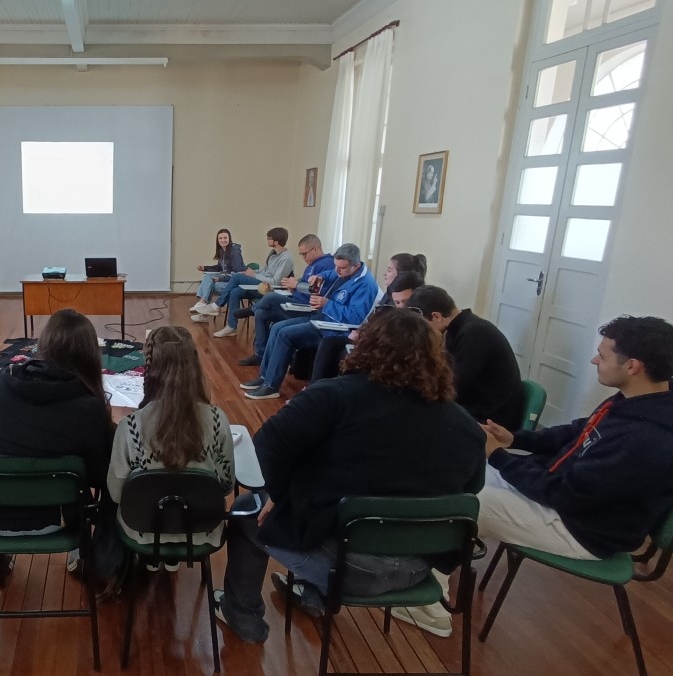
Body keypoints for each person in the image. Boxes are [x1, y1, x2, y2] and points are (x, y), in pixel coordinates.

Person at [399, 316, 673, 639]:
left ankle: (429, 608)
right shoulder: (641, 401)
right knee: (458, 474)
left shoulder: (650, 441)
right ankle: (428, 569)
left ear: (632, 366)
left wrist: (497, 456)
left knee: (459, 507)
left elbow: (566, 494)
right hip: (566, 498)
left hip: (583, 529)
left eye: (602, 355)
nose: (594, 361)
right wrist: (515, 439)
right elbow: (578, 432)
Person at [214, 308, 485, 644]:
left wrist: (281, 497)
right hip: (419, 566)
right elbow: (471, 489)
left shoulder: (333, 396)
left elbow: (268, 445)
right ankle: (312, 594)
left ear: (367, 346)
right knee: (328, 503)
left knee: (248, 510)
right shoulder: (465, 426)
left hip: (345, 566)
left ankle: (243, 616)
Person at [0, 308, 114, 536]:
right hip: (59, 518)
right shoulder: (89, 407)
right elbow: (100, 476)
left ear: (44, 344)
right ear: (91, 354)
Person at [108, 326, 234, 569]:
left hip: (142, 531)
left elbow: (116, 494)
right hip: (200, 531)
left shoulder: (130, 426)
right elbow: (226, 486)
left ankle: (151, 559)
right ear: (195, 366)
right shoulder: (218, 420)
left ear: (149, 368)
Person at [242, 243, 377, 399]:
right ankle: (265, 377)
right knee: (277, 327)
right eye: (336, 266)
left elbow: (355, 317)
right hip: (321, 319)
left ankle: (271, 386)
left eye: (341, 268)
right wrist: (321, 276)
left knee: (285, 334)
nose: (337, 271)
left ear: (356, 265)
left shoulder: (366, 285)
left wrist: (327, 304)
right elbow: (330, 274)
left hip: (335, 329)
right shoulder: (344, 271)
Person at [406, 285, 525, 429]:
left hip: (492, 419)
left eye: (423, 325)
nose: (422, 332)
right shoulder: (458, 330)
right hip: (476, 406)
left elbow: (452, 388)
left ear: (436, 316)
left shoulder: (476, 333)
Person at [235, 234, 335, 367]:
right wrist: (293, 288)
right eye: (301, 254)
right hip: (295, 300)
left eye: (305, 254)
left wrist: (296, 285)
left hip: (306, 307)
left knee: (270, 297)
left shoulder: (327, 264)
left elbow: (318, 290)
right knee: (261, 313)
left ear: (316, 249)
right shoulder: (312, 265)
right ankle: (260, 354)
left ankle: (252, 309)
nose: (303, 257)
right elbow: (304, 286)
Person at [193, 227, 294, 334]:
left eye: (269, 238)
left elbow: (276, 282)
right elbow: (264, 270)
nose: (267, 240)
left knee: (236, 277)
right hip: (262, 283)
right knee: (234, 292)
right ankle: (232, 327)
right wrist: (252, 272)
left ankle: (217, 305)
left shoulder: (286, 258)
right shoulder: (273, 253)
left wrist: (254, 275)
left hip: (270, 289)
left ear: (276, 242)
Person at [190, 229, 245, 310]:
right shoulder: (222, 250)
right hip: (226, 278)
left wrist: (220, 279)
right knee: (207, 277)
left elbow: (237, 275)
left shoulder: (234, 252)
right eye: (220, 238)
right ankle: (202, 304)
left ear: (229, 238)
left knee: (211, 285)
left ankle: (203, 309)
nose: (223, 240)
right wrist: (205, 268)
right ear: (217, 240)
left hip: (234, 284)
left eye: (225, 238)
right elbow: (219, 267)